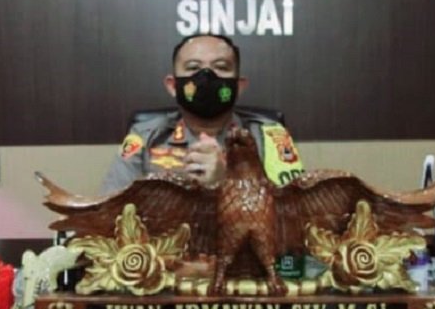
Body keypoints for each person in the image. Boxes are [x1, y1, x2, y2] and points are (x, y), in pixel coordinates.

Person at [100, 35, 304, 193]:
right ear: (173, 86)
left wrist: (227, 182)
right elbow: (111, 210)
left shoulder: (270, 136)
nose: (206, 76)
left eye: (221, 67)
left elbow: (293, 216)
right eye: (193, 67)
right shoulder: (145, 136)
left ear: (239, 86)